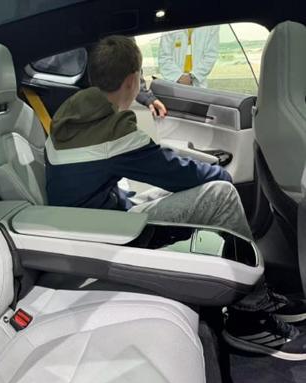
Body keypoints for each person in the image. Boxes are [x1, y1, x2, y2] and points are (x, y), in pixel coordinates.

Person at [45, 34, 306, 359]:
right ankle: (249, 315)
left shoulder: (70, 116)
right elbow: (176, 172)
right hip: (107, 233)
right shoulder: (112, 131)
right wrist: (219, 174)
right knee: (222, 193)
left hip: (90, 219)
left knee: (185, 189)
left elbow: (153, 167)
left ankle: (248, 291)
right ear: (132, 80)